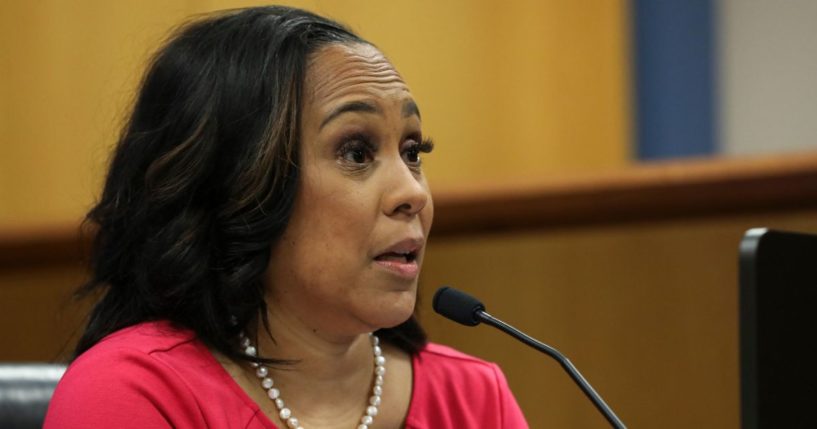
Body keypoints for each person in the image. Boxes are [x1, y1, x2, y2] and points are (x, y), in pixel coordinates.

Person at [44, 6, 528, 429]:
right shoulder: (132, 394)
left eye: (412, 151)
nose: (412, 193)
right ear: (239, 185)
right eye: (356, 152)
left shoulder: (473, 398)